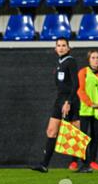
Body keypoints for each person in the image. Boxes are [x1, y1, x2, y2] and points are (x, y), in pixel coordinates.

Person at [32, 37, 80, 173]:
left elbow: (76, 84)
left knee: (75, 134)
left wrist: (68, 102)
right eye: (59, 45)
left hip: (69, 101)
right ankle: (44, 165)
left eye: (64, 45)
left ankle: (85, 164)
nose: (61, 48)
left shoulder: (70, 61)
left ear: (68, 48)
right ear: (55, 48)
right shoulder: (60, 63)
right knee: (51, 131)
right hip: (59, 100)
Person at [69, 50, 98, 172]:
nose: (96, 60)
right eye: (93, 57)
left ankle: (92, 161)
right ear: (89, 60)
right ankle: (78, 161)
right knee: (82, 136)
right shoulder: (83, 72)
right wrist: (90, 103)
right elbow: (80, 90)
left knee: (95, 136)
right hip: (85, 109)